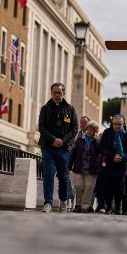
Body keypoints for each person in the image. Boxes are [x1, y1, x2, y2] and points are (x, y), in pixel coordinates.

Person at [38, 83, 78, 213]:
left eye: (59, 93)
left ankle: (63, 201)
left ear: (63, 93)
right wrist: (53, 140)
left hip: (64, 148)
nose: (56, 95)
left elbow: (74, 128)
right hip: (48, 146)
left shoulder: (70, 109)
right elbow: (42, 127)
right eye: (54, 93)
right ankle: (48, 203)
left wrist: (63, 141)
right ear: (51, 93)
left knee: (63, 176)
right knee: (49, 173)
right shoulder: (45, 108)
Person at [98, 115, 127, 214]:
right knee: (107, 188)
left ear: (123, 124)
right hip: (108, 165)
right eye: (115, 124)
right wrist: (113, 156)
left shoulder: (125, 135)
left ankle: (118, 207)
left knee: (120, 188)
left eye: (119, 124)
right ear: (112, 123)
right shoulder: (107, 133)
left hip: (120, 166)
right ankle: (108, 207)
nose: (117, 126)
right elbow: (102, 148)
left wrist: (122, 157)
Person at [67, 121, 100, 213]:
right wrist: (69, 165)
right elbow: (74, 152)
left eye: (92, 129)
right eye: (88, 128)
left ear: (95, 131)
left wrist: (96, 140)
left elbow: (100, 151)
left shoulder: (97, 141)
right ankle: (78, 205)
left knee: (89, 187)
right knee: (79, 186)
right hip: (79, 167)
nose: (89, 130)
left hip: (92, 168)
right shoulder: (80, 139)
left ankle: (85, 206)